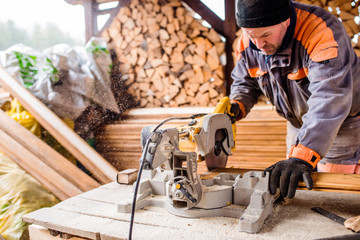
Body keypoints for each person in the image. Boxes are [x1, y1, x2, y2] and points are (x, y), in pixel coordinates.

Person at [229, 0, 360, 199]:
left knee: (337, 196)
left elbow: (329, 98)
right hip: (296, 125)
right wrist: (236, 104)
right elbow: (245, 82)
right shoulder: (250, 39)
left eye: (265, 35)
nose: (259, 44)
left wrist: (303, 156)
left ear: (287, 21)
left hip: (341, 126)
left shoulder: (320, 30)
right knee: (297, 188)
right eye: (250, 35)